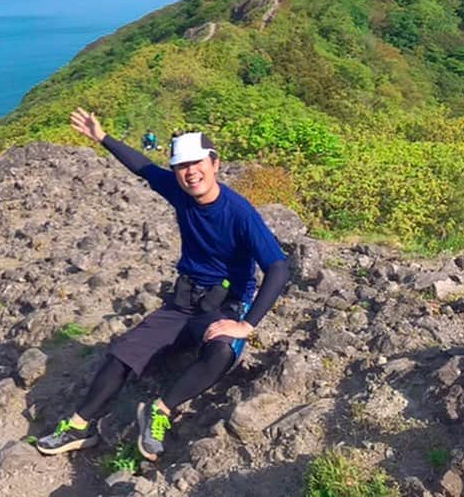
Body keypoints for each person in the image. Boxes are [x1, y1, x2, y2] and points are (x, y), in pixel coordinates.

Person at [36, 108, 289, 461]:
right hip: (182, 301)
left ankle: (160, 410)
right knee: (122, 353)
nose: (190, 172)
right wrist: (102, 137)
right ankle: (79, 426)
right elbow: (142, 168)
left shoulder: (239, 213)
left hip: (224, 304)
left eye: (197, 162)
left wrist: (246, 324)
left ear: (215, 164)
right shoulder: (180, 192)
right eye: (182, 166)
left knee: (220, 352)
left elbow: (278, 266)